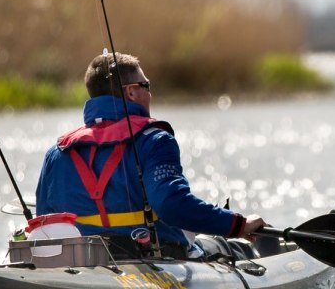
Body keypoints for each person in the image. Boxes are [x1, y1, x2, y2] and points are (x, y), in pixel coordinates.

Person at [36, 52, 265, 256]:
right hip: (156, 258)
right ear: (132, 92)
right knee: (231, 249)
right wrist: (239, 225)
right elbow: (171, 205)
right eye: (147, 85)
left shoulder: (57, 152)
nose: (150, 93)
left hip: (84, 264)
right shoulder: (154, 140)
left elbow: (45, 226)